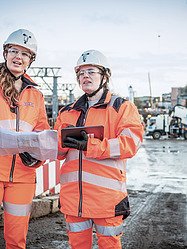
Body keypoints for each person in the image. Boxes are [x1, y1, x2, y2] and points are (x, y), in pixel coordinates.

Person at [54, 49, 144, 249]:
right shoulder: (66, 112)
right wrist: (58, 140)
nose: (85, 76)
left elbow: (131, 143)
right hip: (73, 201)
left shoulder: (122, 108)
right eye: (81, 73)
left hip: (106, 200)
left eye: (91, 71)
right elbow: (58, 153)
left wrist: (91, 145)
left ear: (105, 76)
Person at [0, 29, 50, 249]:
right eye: (13, 51)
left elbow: (42, 133)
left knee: (17, 239)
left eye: (25, 54)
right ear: (5, 54)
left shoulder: (36, 95)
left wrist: (37, 157)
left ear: (30, 60)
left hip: (22, 175)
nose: (18, 57)